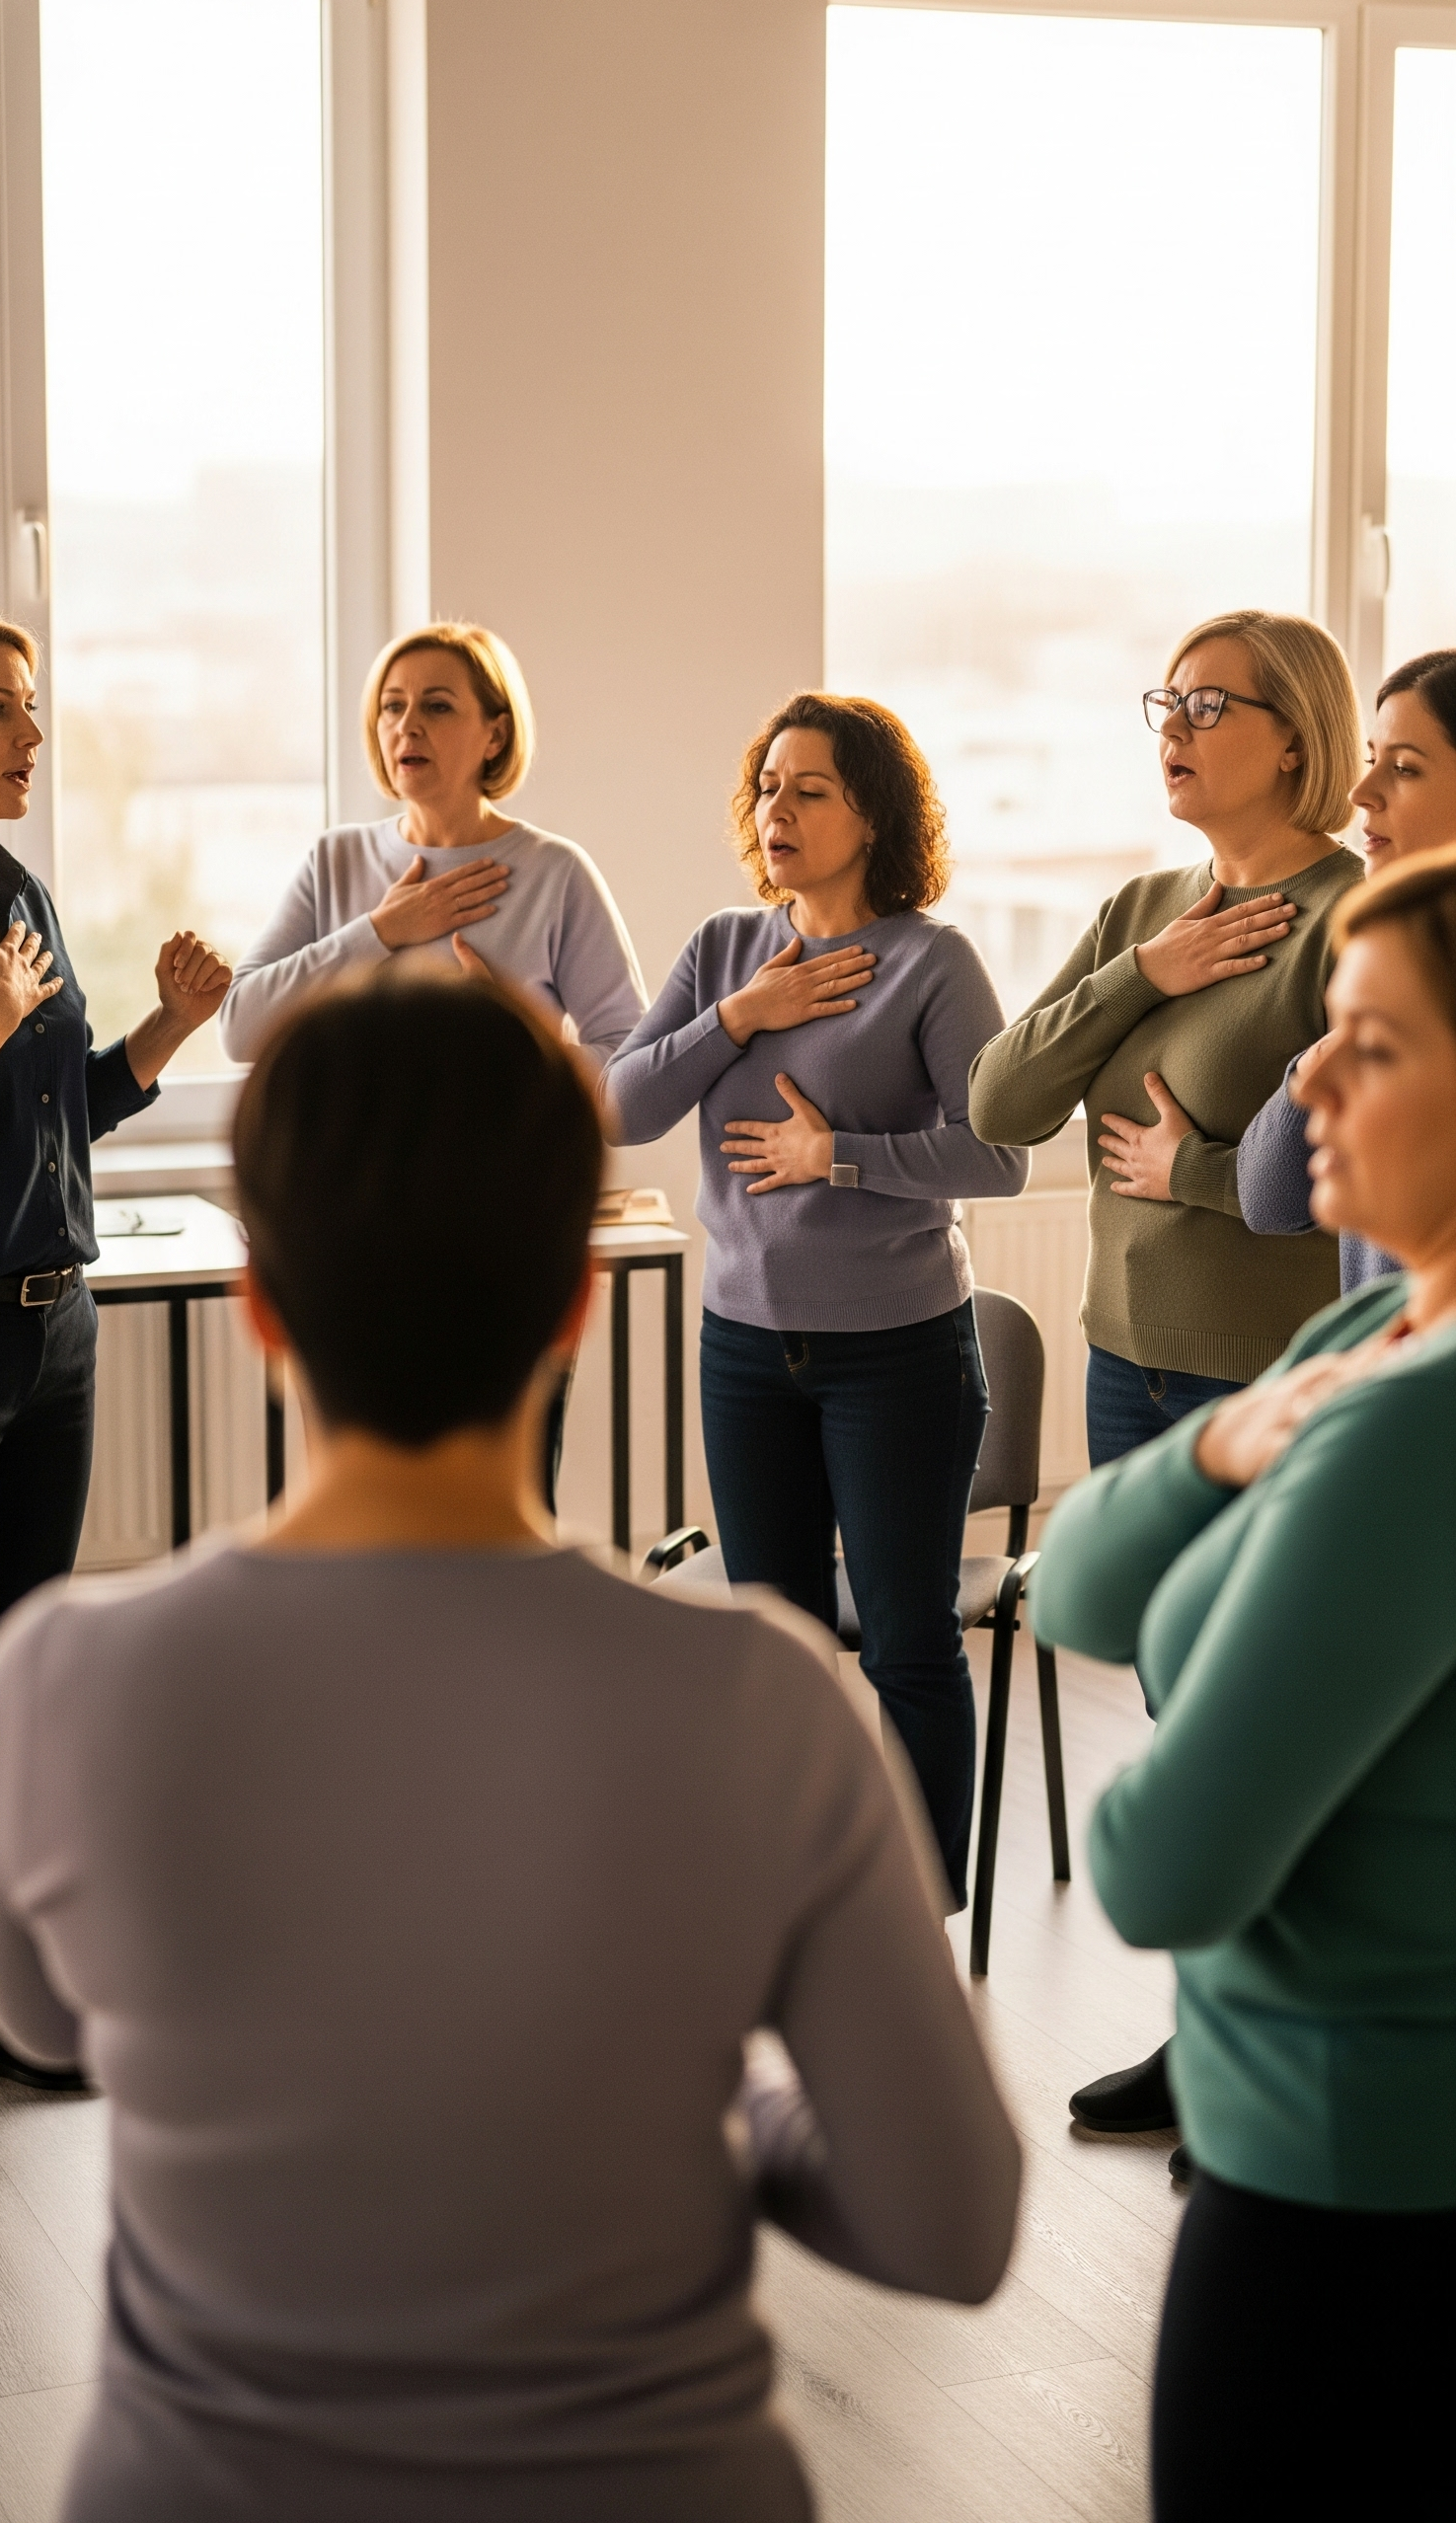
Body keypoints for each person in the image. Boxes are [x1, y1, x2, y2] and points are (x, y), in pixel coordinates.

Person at [0, 960, 1022, 2522]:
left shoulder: (63, 1673)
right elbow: (951, 2219)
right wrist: (696, 2086)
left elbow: (40, 2017)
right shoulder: (762, 1695)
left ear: (260, 1302)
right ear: (581, 1297)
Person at [1031, 845, 1456, 2520]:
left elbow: (1160, 1868)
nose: (1303, 1072)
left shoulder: (1410, 1426)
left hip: (1355, 2196)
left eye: (1374, 1039)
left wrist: (1170, 1775)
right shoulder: (1367, 1341)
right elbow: (1070, 1582)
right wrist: (1215, 1437)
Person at [967, 608, 1362, 2149]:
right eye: (1168, 700)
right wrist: (1148, 967)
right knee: (1166, 1705)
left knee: (1246, 1725)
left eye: (1214, 704)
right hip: (1122, 1365)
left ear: (1296, 736)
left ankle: (1260, 2061)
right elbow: (1008, 1095)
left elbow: (1358, 1155)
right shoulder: (1148, 902)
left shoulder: (1350, 916)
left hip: (1252, 1381)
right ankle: (1206, 2044)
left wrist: (1193, 1174)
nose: (1176, 726)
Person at [604, 694, 1027, 1910]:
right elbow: (619, 1106)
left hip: (898, 1355)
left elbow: (995, 1156)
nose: (776, 810)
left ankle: (930, 1921)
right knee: (774, 1656)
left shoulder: (931, 963)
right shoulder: (729, 947)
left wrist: (836, 1156)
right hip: (743, 1347)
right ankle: (787, 1909)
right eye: (768, 787)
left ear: (874, 813)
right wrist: (742, 1015)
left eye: (811, 789)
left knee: (905, 1644)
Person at [0, 608, 229, 2188]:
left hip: (56, 1331)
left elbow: (58, 1121)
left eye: (33, 709)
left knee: (9, 1686)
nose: (30, 735)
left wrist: (162, 1037)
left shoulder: (21, 889)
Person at [220, 619, 646, 1508]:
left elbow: (631, 1067)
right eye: (392, 706)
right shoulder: (337, 862)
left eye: (436, 706)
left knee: (506, 1510)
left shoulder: (554, 873)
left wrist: (515, 1029)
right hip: (350, 1236)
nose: (406, 727)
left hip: (502, 1238)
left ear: (495, 732)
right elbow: (243, 1023)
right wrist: (382, 932)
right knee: (355, 1512)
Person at [1239, 648, 1456, 1288]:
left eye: (1405, 769)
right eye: (1371, 759)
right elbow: (1269, 1200)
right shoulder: (1399, 955)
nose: (1362, 792)